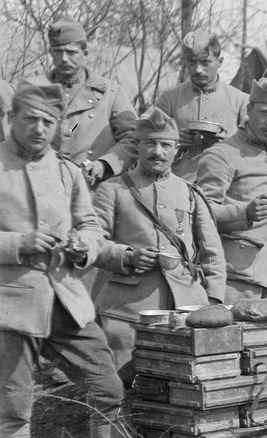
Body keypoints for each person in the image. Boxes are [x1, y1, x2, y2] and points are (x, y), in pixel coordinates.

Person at [0, 82, 123, 437]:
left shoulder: (67, 171)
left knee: (108, 390)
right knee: (12, 412)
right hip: (11, 306)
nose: (40, 129)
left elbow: (91, 226)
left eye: (49, 122)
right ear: (11, 118)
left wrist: (82, 245)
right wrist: (19, 243)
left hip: (66, 302)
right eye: (31, 119)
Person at [91, 108, 226, 385]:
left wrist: (212, 303)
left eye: (166, 145)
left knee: (184, 391)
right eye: (149, 143)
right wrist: (126, 257)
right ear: (137, 146)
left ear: (176, 150)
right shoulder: (113, 190)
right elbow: (93, 242)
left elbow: (212, 252)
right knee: (118, 390)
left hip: (186, 310)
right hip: (127, 313)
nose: (157, 152)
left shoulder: (190, 192)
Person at [196, 78, 267, 380]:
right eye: (264, 113)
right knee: (236, 367)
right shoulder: (222, 155)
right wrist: (242, 212)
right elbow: (200, 213)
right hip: (238, 279)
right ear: (249, 110)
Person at [23, 15, 137, 186]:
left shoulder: (110, 92)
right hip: (42, 186)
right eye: (58, 51)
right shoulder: (34, 89)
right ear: (50, 53)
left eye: (71, 52)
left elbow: (133, 137)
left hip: (90, 189)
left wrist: (105, 163)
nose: (64, 59)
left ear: (85, 53)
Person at [154, 29, 248, 182]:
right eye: (192, 62)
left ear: (220, 62)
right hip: (179, 185)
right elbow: (147, 143)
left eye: (205, 62)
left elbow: (254, 153)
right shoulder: (169, 100)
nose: (198, 70)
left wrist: (227, 144)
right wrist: (175, 142)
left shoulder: (241, 101)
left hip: (225, 188)